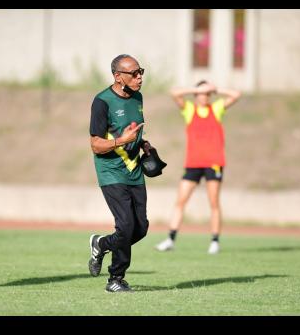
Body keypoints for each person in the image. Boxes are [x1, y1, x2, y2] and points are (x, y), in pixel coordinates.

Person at [88, 54, 153, 292]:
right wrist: (121, 140)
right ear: (118, 76)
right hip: (111, 172)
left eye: (140, 72)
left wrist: (144, 144)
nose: (139, 78)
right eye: (133, 74)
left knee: (141, 228)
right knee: (125, 226)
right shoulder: (102, 101)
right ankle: (115, 279)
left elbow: (134, 132)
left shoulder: (137, 98)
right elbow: (95, 144)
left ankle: (101, 244)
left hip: (135, 170)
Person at [155, 80, 241, 254]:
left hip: (213, 163)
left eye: (207, 93)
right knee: (181, 201)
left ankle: (215, 241)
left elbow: (236, 95)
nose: (205, 96)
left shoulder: (216, 109)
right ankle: (170, 239)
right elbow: (174, 92)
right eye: (202, 93)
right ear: (196, 95)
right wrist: (196, 88)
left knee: (214, 202)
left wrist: (215, 89)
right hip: (193, 163)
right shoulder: (189, 110)